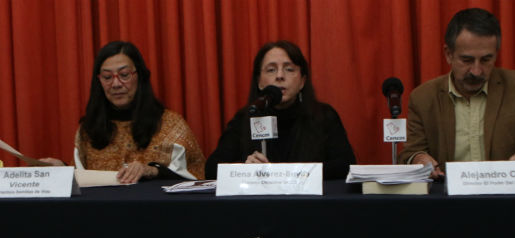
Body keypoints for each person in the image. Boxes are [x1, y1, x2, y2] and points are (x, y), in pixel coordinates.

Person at [398, 8, 515, 178]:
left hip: (506, 196)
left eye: (485, 60)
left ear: (496, 54)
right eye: (467, 60)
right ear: (448, 54)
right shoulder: (423, 97)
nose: (476, 71)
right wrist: (419, 159)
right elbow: (411, 152)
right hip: (448, 199)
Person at [43, 41, 205, 183]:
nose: (116, 84)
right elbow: (81, 176)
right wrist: (61, 170)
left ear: (139, 76)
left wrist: (152, 171)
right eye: (107, 77)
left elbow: (195, 177)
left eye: (124, 75)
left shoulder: (170, 125)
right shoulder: (89, 128)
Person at [205, 40, 356, 180]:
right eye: (271, 70)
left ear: (302, 81)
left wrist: (288, 174)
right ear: (259, 82)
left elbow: (346, 166)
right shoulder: (245, 117)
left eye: (289, 69)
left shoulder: (324, 116)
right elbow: (212, 168)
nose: (280, 76)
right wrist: (245, 170)